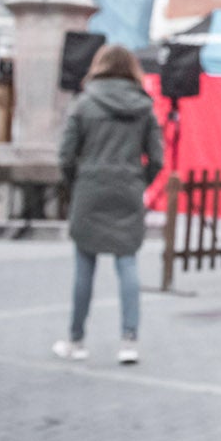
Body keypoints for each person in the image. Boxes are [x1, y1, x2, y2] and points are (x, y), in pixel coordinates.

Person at [51, 45, 163, 365]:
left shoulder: (84, 103)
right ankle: (129, 341)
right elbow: (156, 158)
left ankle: (76, 339)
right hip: (127, 189)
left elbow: (65, 155)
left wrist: (78, 181)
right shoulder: (144, 107)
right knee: (127, 263)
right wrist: (139, 180)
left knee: (84, 267)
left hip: (90, 188)